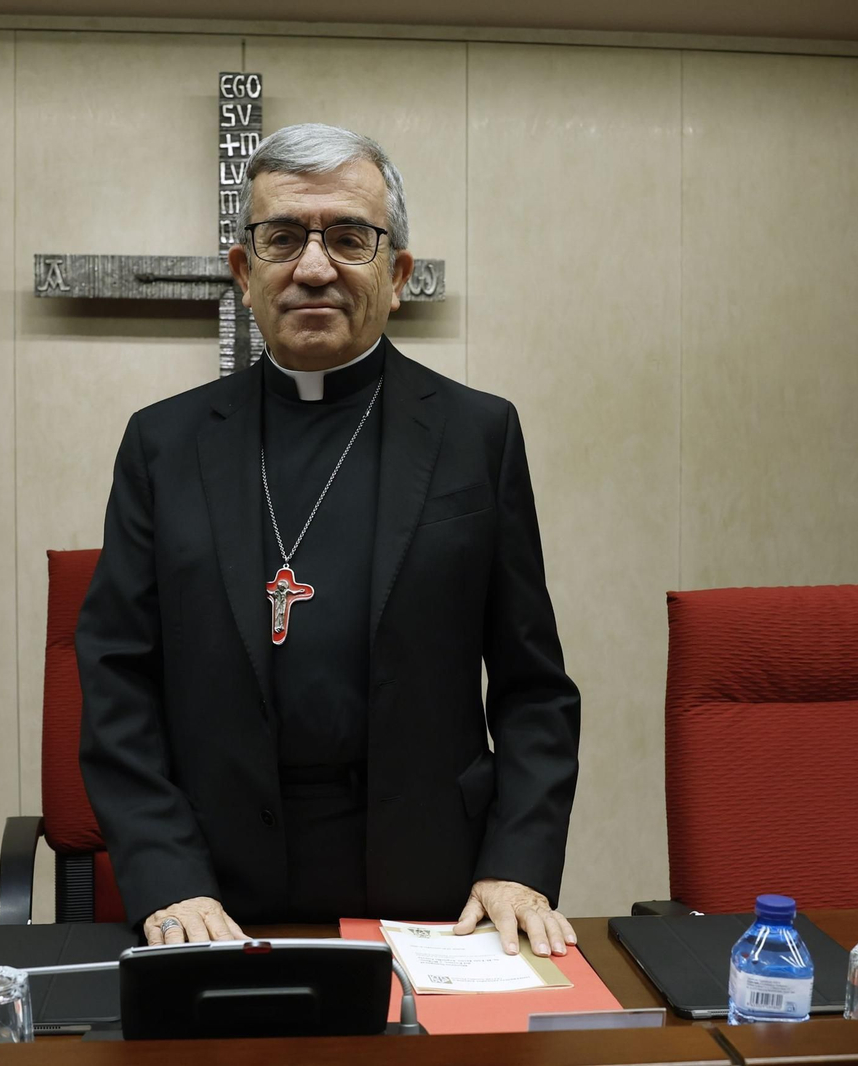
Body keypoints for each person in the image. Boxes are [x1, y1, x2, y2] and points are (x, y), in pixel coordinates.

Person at [76, 123, 581, 958]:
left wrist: (517, 864)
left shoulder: (476, 434)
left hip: (438, 897)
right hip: (219, 900)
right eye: (282, 239)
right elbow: (118, 680)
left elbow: (533, 688)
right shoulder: (163, 446)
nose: (314, 267)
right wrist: (169, 876)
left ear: (400, 275)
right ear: (245, 273)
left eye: (349, 237)